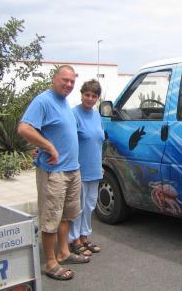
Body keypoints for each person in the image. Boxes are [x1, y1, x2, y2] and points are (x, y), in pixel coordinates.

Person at [18, 65, 90, 281]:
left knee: (67, 216)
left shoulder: (64, 102)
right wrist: (48, 146)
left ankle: (64, 252)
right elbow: (24, 128)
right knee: (50, 218)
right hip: (53, 172)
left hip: (71, 170)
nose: (68, 84)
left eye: (72, 82)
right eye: (64, 80)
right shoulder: (43, 100)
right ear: (54, 78)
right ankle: (50, 262)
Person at [68, 79, 104, 256]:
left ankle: (84, 236)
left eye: (94, 95)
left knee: (90, 205)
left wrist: (101, 165)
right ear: (81, 94)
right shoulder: (73, 114)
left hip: (95, 169)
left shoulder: (97, 114)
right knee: (78, 207)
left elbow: (99, 142)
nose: (90, 98)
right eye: (87, 94)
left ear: (98, 98)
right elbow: (67, 141)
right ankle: (73, 239)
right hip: (79, 169)